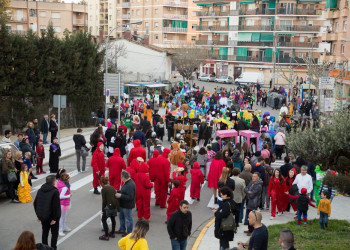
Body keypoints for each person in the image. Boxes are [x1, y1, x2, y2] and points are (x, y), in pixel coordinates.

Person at [34, 175, 61, 250]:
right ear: (53, 182)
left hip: (43, 216)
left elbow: (35, 203)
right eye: (55, 180)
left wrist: (39, 215)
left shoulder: (40, 190)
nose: (56, 182)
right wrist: (55, 218)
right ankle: (53, 248)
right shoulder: (55, 191)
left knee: (45, 233)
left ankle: (44, 248)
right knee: (54, 234)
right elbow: (56, 207)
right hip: (52, 217)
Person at [115, 170, 136, 237]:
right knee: (121, 217)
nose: (121, 178)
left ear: (124, 177)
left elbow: (130, 197)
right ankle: (122, 229)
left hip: (127, 205)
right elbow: (124, 191)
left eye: (121, 177)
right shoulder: (127, 183)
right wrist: (117, 191)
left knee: (128, 219)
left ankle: (129, 232)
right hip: (123, 204)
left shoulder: (130, 185)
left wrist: (120, 195)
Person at [100, 176, 119, 241]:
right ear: (108, 181)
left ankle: (106, 235)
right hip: (114, 206)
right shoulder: (112, 187)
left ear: (102, 183)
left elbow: (104, 201)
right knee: (113, 218)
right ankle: (112, 233)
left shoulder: (104, 189)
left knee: (103, 219)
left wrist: (103, 210)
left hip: (108, 206)